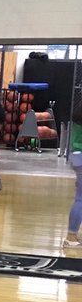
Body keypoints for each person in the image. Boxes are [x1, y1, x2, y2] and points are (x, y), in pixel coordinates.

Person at [66, 105, 82, 249]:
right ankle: (71, 237)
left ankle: (73, 236)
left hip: (76, 155)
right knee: (81, 199)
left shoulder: (78, 112)